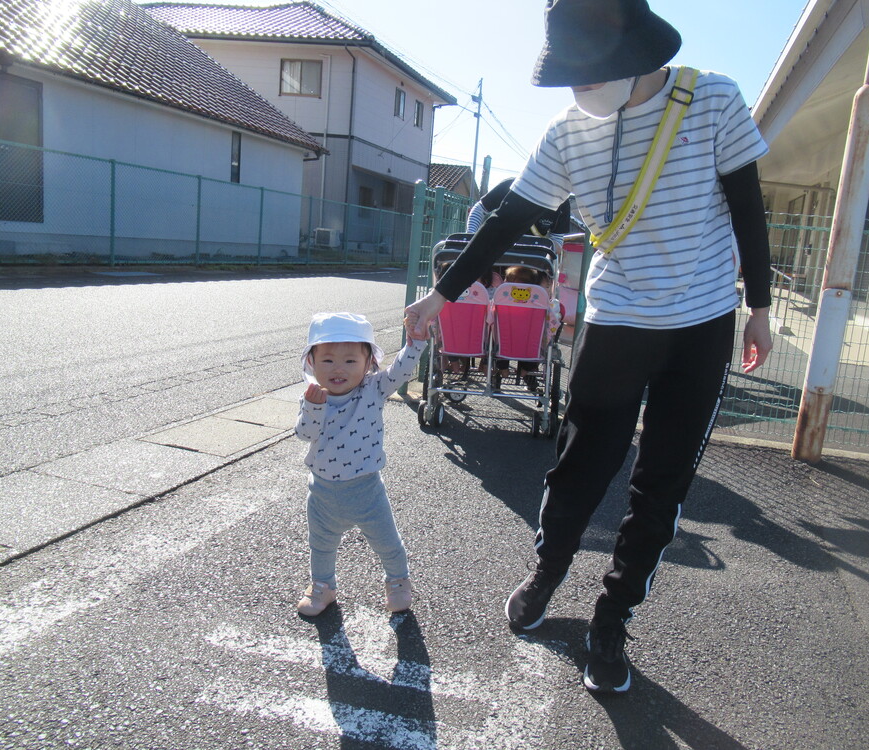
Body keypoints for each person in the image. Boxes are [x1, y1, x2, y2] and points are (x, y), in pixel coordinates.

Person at [406, 0, 773, 694]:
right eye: (566, 77)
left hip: (701, 325)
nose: (577, 90)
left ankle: (613, 616)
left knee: (662, 482)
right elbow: (508, 218)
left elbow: (748, 202)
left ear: (633, 52)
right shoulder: (569, 131)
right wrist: (441, 296)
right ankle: (547, 572)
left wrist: (759, 307)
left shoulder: (713, 98)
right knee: (581, 464)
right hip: (618, 320)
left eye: (585, 74)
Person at [294, 312, 426, 616]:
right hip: (323, 494)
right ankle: (322, 587)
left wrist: (416, 344)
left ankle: (397, 582)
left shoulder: (373, 389)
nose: (338, 368)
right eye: (327, 360)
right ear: (312, 363)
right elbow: (304, 434)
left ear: (368, 364)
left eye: (351, 361)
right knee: (321, 546)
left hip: (367, 491)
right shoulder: (314, 396)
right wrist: (314, 408)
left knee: (387, 543)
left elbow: (401, 371)